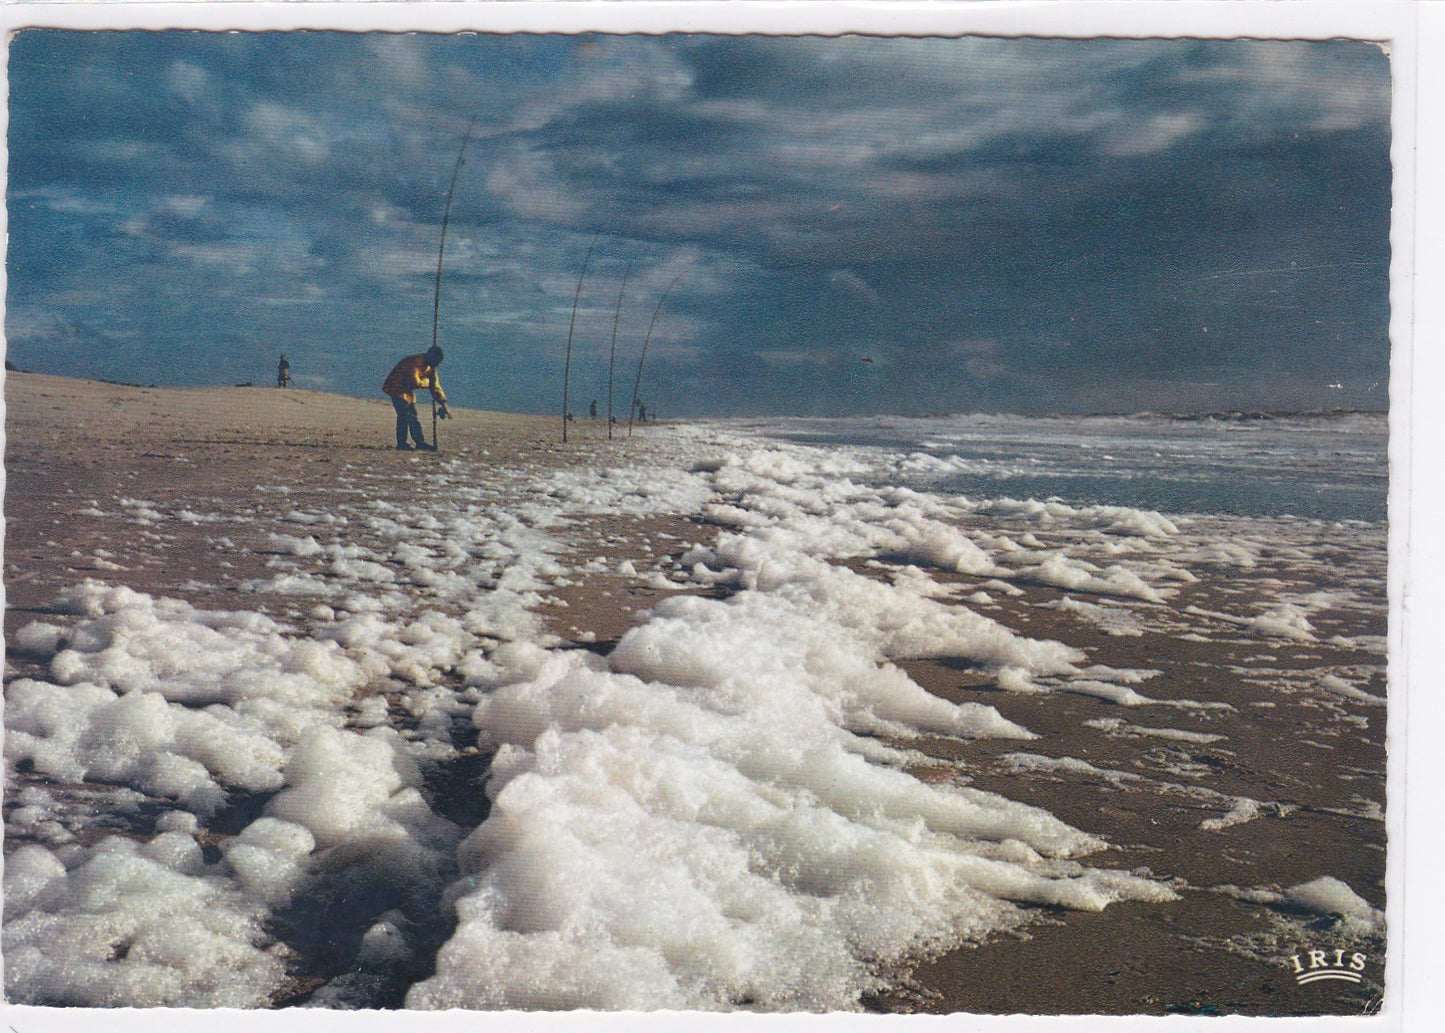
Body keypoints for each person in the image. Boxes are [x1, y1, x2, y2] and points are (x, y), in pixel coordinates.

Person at [383, 344, 449, 451]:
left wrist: (442, 402)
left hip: (407, 392)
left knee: (412, 415)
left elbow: (435, 386)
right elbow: (414, 381)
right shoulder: (414, 362)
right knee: (404, 415)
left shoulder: (430, 367)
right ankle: (403, 443)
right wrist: (428, 382)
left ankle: (418, 442)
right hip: (396, 388)